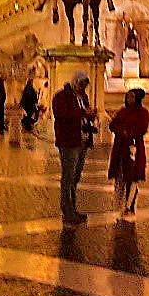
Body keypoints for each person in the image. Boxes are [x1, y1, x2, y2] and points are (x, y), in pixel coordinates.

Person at [52, 72, 97, 225]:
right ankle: (67, 211)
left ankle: (73, 209)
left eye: (85, 84)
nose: (83, 87)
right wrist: (83, 113)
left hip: (82, 140)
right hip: (69, 142)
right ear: (75, 82)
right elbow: (62, 114)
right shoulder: (61, 97)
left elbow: (83, 115)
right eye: (81, 83)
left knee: (75, 178)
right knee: (68, 177)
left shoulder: (83, 97)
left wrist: (91, 115)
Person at [109, 88, 149, 220]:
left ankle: (130, 206)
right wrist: (121, 130)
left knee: (132, 177)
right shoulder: (123, 111)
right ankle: (120, 204)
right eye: (128, 97)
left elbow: (142, 128)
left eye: (132, 97)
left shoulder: (143, 112)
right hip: (120, 147)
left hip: (134, 147)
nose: (129, 99)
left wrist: (128, 132)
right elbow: (112, 124)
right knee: (120, 176)